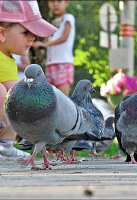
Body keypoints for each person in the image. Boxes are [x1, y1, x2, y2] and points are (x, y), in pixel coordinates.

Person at [0, 0, 57, 159]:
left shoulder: (8, 58)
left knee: (17, 96)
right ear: (1, 34)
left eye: (34, 33)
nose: (32, 38)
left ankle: (5, 145)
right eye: (26, 32)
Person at [33, 0, 75, 96]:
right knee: (50, 98)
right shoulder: (52, 22)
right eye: (52, 1)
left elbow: (64, 37)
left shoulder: (68, 18)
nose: (55, 4)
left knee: (63, 98)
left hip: (63, 63)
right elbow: (46, 41)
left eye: (59, 1)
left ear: (66, 3)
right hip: (50, 64)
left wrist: (44, 45)